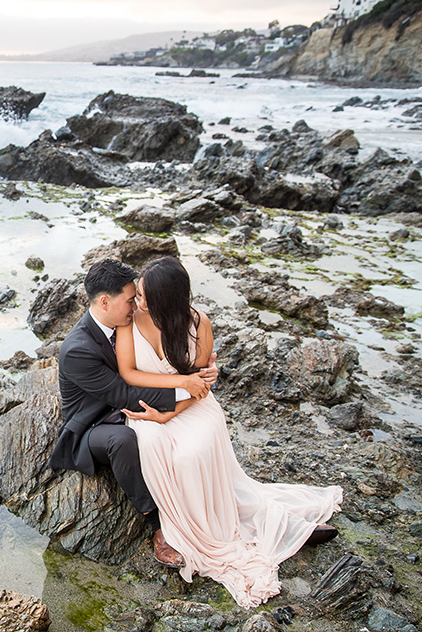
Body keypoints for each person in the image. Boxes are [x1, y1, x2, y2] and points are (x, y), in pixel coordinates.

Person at [117, 256, 343, 608]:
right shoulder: (130, 321)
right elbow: (129, 373)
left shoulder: (197, 323)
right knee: (153, 442)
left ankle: (266, 525)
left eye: (144, 295)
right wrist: (171, 397)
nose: (137, 299)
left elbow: (202, 388)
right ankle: (180, 531)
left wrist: (177, 405)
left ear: (167, 299)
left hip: (191, 408)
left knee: (194, 450)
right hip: (149, 410)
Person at [48, 258, 218, 567]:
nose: (135, 306)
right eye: (130, 300)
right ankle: (157, 526)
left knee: (180, 444)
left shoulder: (123, 323)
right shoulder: (78, 349)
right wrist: (186, 388)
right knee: (123, 439)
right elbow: (124, 393)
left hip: (127, 409)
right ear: (104, 301)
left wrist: (202, 375)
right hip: (92, 427)